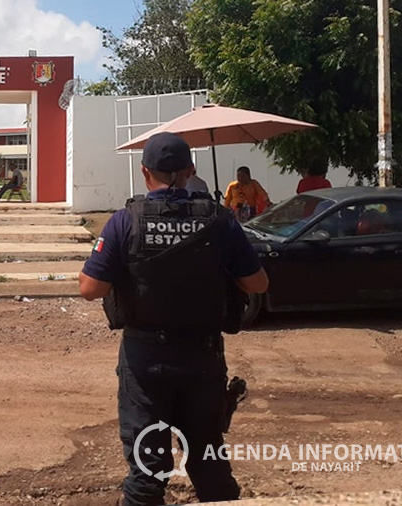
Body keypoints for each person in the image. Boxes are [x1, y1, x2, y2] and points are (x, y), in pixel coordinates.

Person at [78, 132, 269, 506]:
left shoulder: (124, 221)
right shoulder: (220, 221)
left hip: (144, 359)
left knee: (148, 470)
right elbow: (258, 282)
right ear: (191, 171)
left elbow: (90, 288)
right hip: (202, 358)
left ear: (145, 172)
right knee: (209, 465)